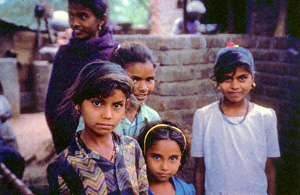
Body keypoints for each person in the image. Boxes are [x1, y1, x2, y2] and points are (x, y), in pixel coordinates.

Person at [47, 61, 148, 194]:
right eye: (97, 103)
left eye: (117, 105)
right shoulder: (63, 166)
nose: (107, 115)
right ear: (77, 102)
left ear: (126, 106)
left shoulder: (132, 148)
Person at [191, 43, 280, 194]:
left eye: (242, 78)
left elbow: (269, 169)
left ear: (253, 78)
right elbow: (200, 169)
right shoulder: (204, 116)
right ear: (217, 80)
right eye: (227, 78)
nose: (234, 85)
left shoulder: (266, 117)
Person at [45, 0, 119, 153]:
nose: (75, 23)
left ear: (101, 20)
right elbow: (52, 105)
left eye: (83, 16)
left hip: (104, 143)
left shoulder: (114, 54)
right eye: (71, 16)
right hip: (67, 142)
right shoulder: (64, 54)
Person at [109, 41, 161, 138]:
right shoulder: (103, 116)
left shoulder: (153, 118)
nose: (143, 88)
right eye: (135, 79)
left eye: (149, 79)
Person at [137, 120, 196, 195]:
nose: (165, 167)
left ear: (181, 158)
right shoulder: (132, 189)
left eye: (173, 159)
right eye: (157, 157)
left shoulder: (186, 190)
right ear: (143, 154)